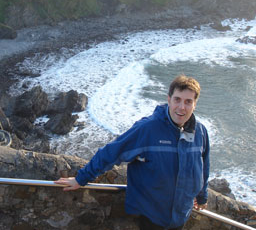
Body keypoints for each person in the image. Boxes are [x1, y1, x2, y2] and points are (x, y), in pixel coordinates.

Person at [55, 75, 210, 230]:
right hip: (152, 217)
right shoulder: (148, 129)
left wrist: (202, 196)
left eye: (188, 101)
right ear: (168, 100)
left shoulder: (200, 132)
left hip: (181, 215)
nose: (182, 107)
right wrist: (80, 179)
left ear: (195, 104)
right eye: (177, 100)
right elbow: (112, 152)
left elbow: (203, 165)